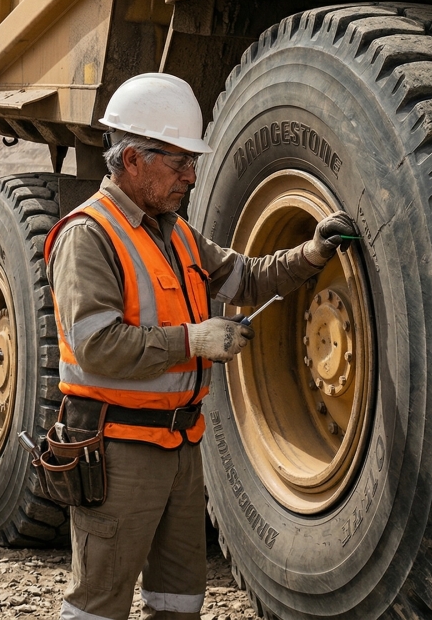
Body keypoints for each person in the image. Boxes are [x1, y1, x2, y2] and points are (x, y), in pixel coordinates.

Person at [46, 73, 355, 620]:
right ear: (133, 158)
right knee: (98, 605)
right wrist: (193, 340)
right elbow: (96, 345)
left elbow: (245, 278)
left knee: (180, 599)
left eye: (192, 161)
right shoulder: (88, 235)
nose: (192, 176)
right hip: (119, 448)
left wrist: (310, 253)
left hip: (181, 447)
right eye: (180, 161)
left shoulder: (177, 233)